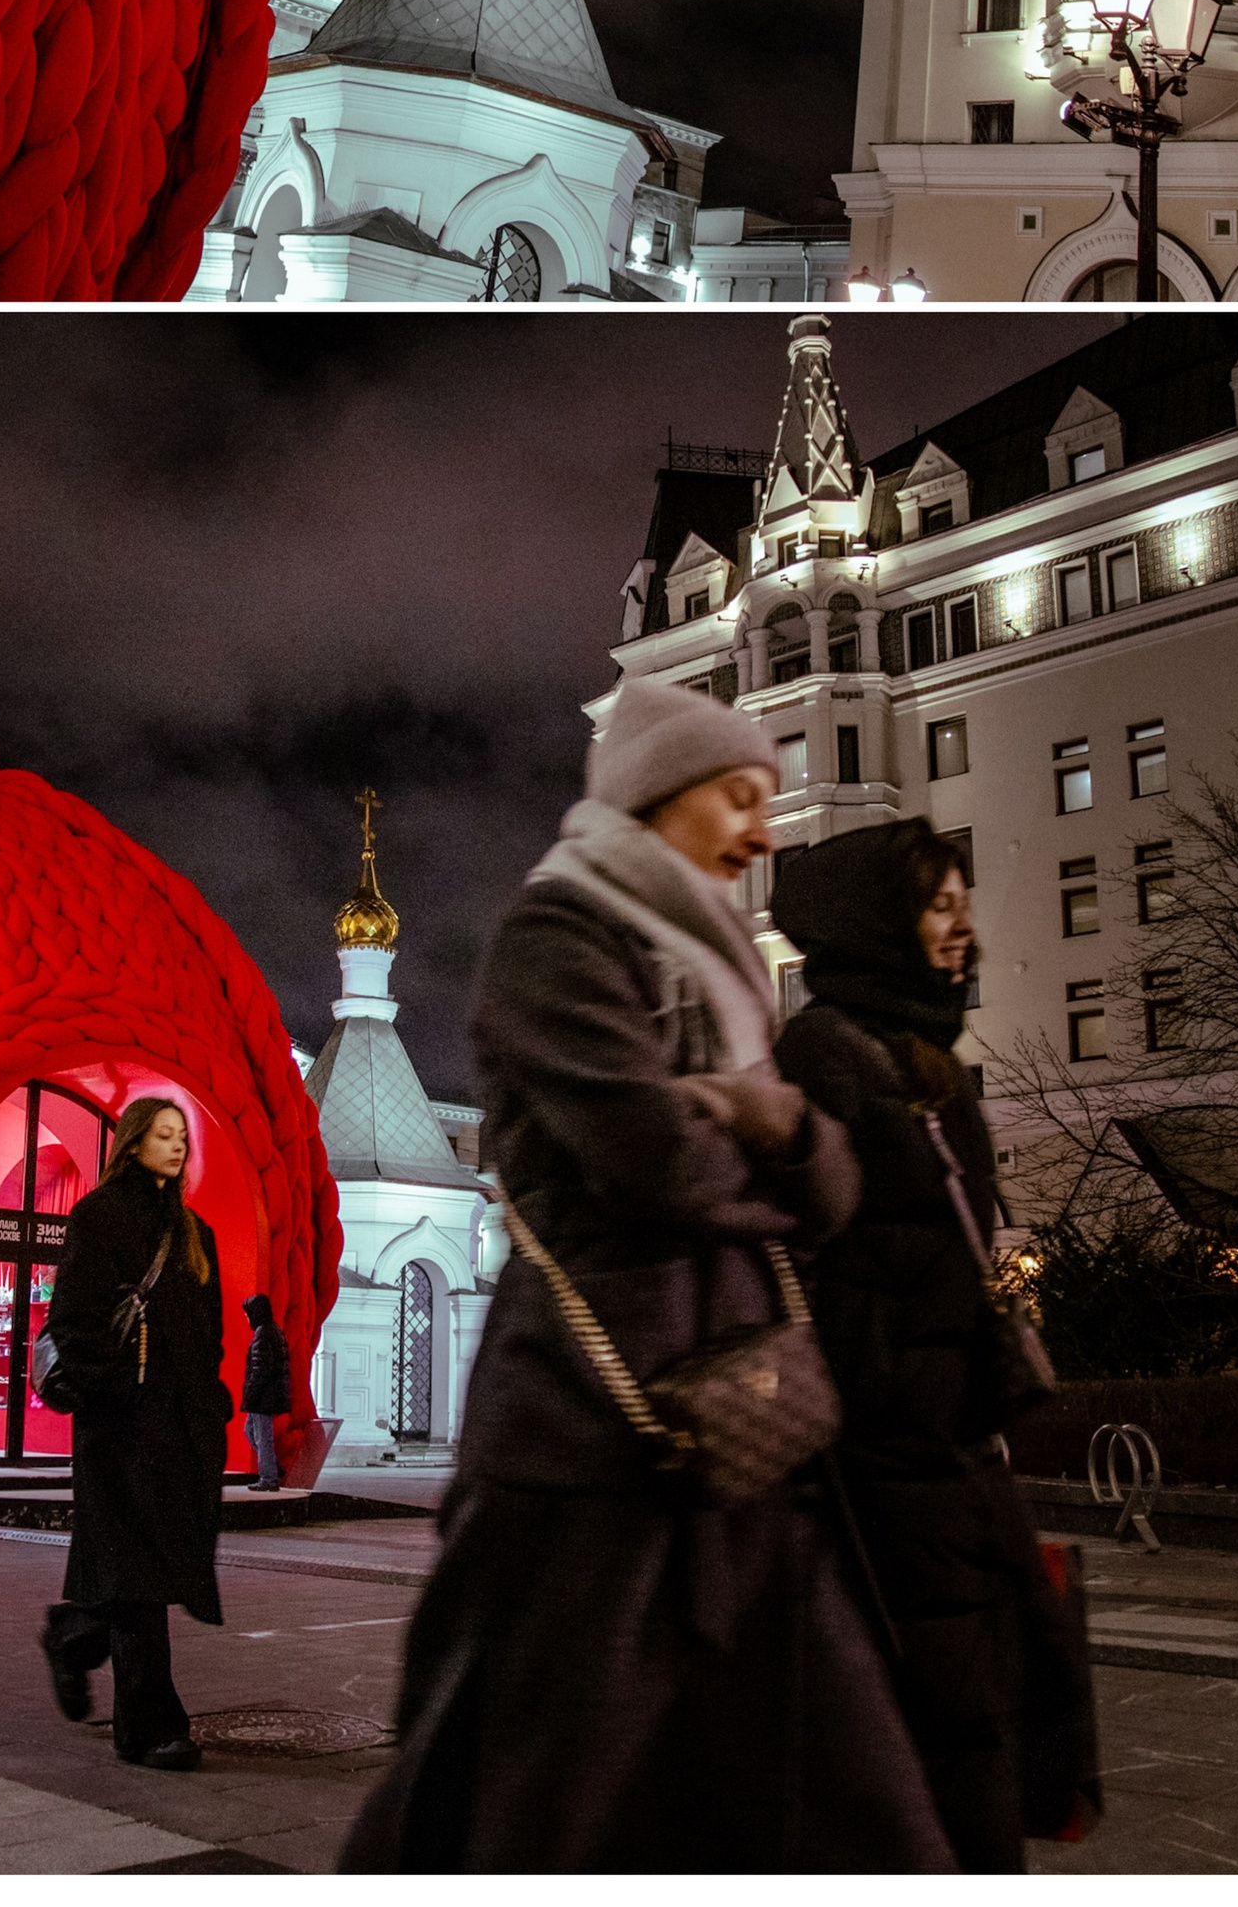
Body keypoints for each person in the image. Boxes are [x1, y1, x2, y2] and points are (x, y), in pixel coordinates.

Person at [341, 681, 955, 1873]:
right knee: (521, 1783)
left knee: (841, 1786)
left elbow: (832, 1186)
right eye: (738, 793)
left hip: (747, 1420)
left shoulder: (715, 959)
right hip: (591, 1427)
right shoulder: (555, 938)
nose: (764, 829)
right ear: (656, 792)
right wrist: (771, 1133)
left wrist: (765, 1124)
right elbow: (648, 1157)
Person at [772, 818, 1090, 1873]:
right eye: (936, 903)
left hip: (953, 1449)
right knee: (933, 1732)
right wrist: (897, 1387)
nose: (961, 927)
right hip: (880, 1464)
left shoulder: (932, 1061)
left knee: (990, 1707)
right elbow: (804, 1259)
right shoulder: (825, 1049)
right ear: (877, 919)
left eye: (962, 900)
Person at [38, 1097, 231, 1772]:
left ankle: (75, 1632)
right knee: (139, 1574)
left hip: (179, 1431)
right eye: (163, 1134)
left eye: (182, 1137)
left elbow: (209, 1331)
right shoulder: (98, 1216)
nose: (176, 1146)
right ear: (133, 1142)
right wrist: (114, 1391)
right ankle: (149, 1727)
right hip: (118, 1429)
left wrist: (210, 1403)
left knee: (150, 1569)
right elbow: (74, 1318)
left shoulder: (193, 1231)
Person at [239, 1293, 291, 1491]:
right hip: (268, 1395)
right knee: (251, 1432)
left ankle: (269, 1478)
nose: (247, 1317)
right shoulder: (273, 1330)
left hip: (263, 1397)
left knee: (261, 1436)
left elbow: (261, 1369)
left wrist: (250, 1395)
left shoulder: (263, 1333)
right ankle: (272, 1468)